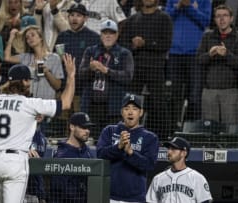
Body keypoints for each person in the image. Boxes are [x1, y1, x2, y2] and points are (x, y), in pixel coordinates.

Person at [0, 53, 76, 203]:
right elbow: (66, 103)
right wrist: (71, 76)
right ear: (24, 81)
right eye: (28, 81)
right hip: (16, 162)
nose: (29, 84)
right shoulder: (29, 104)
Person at [118, 0, 173, 139]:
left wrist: (145, 43)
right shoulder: (133, 19)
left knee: (158, 104)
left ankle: (162, 138)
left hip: (155, 68)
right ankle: (127, 135)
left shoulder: (164, 18)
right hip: (135, 69)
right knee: (130, 104)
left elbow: (166, 44)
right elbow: (123, 44)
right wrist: (133, 45)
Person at [96, 94, 160, 203]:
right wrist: (118, 147)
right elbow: (100, 154)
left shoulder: (150, 137)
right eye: (126, 109)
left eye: (134, 109)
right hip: (109, 196)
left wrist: (130, 153)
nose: (130, 112)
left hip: (134, 199)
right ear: (122, 112)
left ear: (141, 112)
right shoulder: (109, 131)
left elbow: (149, 165)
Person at [79, 19, 134, 138]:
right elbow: (81, 74)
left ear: (117, 35)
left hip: (113, 108)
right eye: (105, 33)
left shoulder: (125, 53)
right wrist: (90, 68)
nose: (108, 36)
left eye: (111, 33)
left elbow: (128, 77)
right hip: (92, 106)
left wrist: (107, 71)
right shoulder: (91, 51)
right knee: (91, 140)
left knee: (112, 140)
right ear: (101, 34)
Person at [196, 4, 238, 125]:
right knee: (209, 129)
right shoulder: (207, 36)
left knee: (230, 129)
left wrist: (226, 54)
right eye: (218, 16)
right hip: (209, 91)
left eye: (225, 15)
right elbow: (199, 60)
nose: (221, 19)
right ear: (214, 20)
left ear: (231, 18)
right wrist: (210, 54)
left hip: (230, 92)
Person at [165, 0, 212, 120]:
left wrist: (189, 7)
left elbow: (206, 21)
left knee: (195, 96)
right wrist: (178, 6)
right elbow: (165, 19)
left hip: (195, 55)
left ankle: (192, 128)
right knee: (173, 95)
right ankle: (173, 128)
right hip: (174, 54)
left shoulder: (205, 1)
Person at [55, 3, 100, 112]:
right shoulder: (62, 37)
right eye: (72, 15)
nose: (74, 19)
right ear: (68, 17)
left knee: (80, 122)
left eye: (78, 15)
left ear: (85, 18)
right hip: (64, 87)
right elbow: (56, 60)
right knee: (61, 123)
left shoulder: (94, 37)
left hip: (84, 89)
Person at [5, 25, 64, 100]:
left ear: (41, 37)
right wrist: (11, 37)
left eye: (33, 35)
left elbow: (58, 86)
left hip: (46, 103)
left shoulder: (54, 58)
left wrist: (47, 73)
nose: (30, 38)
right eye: (27, 38)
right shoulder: (26, 57)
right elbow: (7, 58)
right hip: (29, 103)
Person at [146, 137, 213, 203]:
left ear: (184, 153)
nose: (169, 152)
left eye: (173, 149)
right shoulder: (158, 178)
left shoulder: (197, 178)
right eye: (168, 148)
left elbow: (205, 201)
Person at [50, 112, 95, 203]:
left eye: (88, 128)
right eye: (83, 127)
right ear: (72, 127)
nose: (87, 131)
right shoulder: (61, 155)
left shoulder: (87, 151)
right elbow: (59, 190)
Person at [25, 128, 48, 203]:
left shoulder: (42, 137)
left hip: (36, 191)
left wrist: (42, 195)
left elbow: (40, 169)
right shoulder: (21, 133)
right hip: (22, 187)